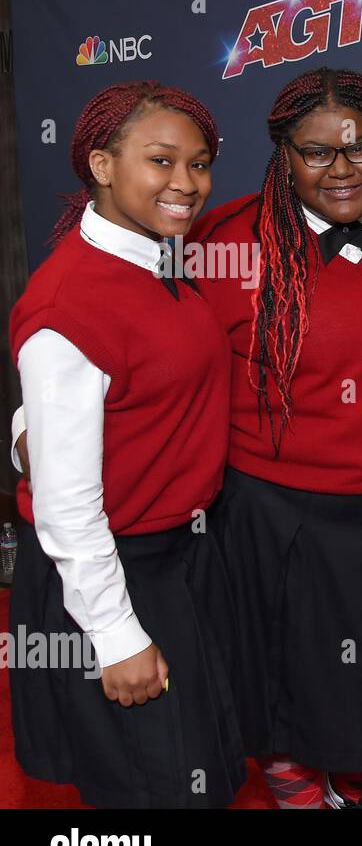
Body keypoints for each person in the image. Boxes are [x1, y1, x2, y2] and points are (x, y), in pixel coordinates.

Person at [188, 67, 362, 809]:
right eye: (316, 153)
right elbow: (147, 352)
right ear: (282, 153)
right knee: (285, 692)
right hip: (272, 518)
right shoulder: (221, 244)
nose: (341, 170)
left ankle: (356, 790)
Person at [8, 81, 243, 808]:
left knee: (195, 773)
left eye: (199, 164)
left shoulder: (155, 258)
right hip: (111, 575)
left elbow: (71, 406)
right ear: (102, 166)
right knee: (154, 790)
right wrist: (114, 634)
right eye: (162, 161)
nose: (186, 184)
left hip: (180, 560)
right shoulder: (68, 299)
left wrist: (28, 435)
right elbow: (68, 506)